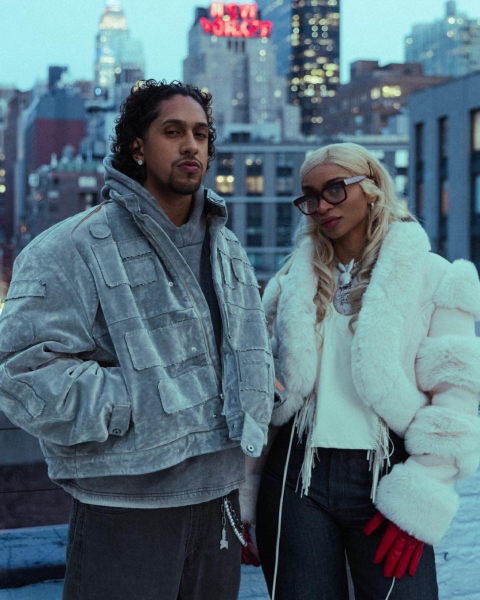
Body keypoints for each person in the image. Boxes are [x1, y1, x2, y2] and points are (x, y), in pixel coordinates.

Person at [0, 80, 274, 600]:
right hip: (124, 507)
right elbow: (21, 373)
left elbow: (246, 344)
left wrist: (257, 385)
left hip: (219, 501)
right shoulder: (71, 246)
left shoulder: (229, 249)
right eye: (173, 131)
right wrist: (139, 401)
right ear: (137, 146)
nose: (191, 145)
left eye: (201, 134)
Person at [253, 142, 480, 600]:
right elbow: (260, 393)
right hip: (295, 474)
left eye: (336, 188)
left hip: (388, 472)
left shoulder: (437, 277)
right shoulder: (288, 282)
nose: (322, 205)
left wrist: (422, 496)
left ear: (372, 187)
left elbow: (456, 397)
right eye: (310, 196)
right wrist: (242, 494)